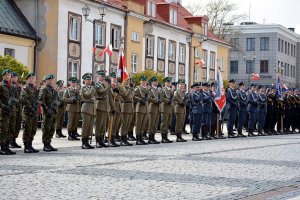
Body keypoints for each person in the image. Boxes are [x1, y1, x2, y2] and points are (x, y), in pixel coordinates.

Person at [20, 73, 40, 153]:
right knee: (27, 129)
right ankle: (26, 146)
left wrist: (36, 104)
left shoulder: (34, 88)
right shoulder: (25, 88)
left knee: (33, 129)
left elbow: (36, 99)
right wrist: (31, 107)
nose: (32, 79)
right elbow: (23, 98)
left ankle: (30, 144)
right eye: (30, 78)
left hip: (34, 111)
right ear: (27, 79)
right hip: (28, 111)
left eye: (33, 78)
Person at [39, 74, 58, 152]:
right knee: (46, 128)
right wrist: (46, 109)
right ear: (46, 81)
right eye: (49, 80)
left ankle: (49, 143)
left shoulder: (53, 90)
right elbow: (41, 100)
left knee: (52, 128)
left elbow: (56, 100)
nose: (50, 81)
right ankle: (45, 145)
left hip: (53, 111)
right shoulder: (44, 89)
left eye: (51, 80)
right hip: (47, 112)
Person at [94, 70, 113, 148]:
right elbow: (102, 92)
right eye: (101, 76)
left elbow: (110, 95)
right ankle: (98, 140)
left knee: (103, 124)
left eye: (103, 76)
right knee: (99, 124)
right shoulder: (97, 84)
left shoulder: (104, 85)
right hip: (99, 106)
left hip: (105, 106)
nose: (102, 78)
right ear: (98, 76)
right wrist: (108, 87)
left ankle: (102, 139)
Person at [0, 69, 16, 155]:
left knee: (11, 129)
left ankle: (7, 146)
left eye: (9, 75)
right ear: (3, 76)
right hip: (4, 111)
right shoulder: (1, 86)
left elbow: (15, 99)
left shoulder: (13, 86)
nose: (7, 76)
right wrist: (5, 107)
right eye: (5, 75)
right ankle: (2, 147)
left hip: (12, 111)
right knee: (4, 129)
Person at [80, 73, 95, 149]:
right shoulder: (84, 88)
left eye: (90, 79)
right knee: (85, 126)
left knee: (90, 127)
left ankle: (87, 141)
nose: (89, 81)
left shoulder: (92, 88)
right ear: (84, 80)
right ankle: (83, 142)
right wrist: (92, 88)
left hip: (92, 108)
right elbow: (88, 95)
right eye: (87, 79)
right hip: (86, 108)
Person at [117, 78, 134, 146]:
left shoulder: (128, 88)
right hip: (125, 107)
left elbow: (132, 96)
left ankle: (125, 138)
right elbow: (126, 97)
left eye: (129, 80)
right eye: (127, 80)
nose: (128, 82)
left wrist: (130, 89)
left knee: (128, 123)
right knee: (124, 123)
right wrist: (130, 89)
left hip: (130, 107)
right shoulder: (122, 87)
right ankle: (122, 139)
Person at [133, 75, 149, 145]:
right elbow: (133, 96)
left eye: (145, 81)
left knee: (143, 124)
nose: (144, 82)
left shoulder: (147, 89)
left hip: (145, 108)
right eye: (143, 81)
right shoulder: (137, 88)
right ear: (140, 82)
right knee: (139, 124)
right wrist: (140, 99)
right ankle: (138, 138)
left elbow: (148, 97)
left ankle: (141, 137)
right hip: (139, 108)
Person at [9, 72, 22, 148]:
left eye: (16, 77)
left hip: (18, 109)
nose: (14, 78)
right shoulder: (9, 86)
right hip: (12, 108)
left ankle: (14, 140)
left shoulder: (18, 86)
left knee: (17, 126)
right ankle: (10, 141)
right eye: (13, 77)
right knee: (11, 126)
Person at [159, 77, 173, 143]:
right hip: (164, 108)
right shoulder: (163, 89)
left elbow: (172, 97)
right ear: (165, 83)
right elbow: (161, 97)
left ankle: (166, 136)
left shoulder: (170, 90)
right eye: (167, 82)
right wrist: (168, 100)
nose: (169, 83)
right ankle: (163, 137)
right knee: (164, 123)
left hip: (169, 108)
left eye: (169, 82)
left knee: (167, 123)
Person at [147, 76, 161, 144]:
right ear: (152, 82)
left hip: (157, 108)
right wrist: (156, 100)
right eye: (154, 81)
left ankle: (153, 137)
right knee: (151, 124)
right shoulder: (150, 89)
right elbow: (149, 98)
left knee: (155, 124)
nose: (156, 82)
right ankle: (150, 138)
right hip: (152, 108)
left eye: (156, 81)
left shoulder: (157, 90)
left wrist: (160, 100)